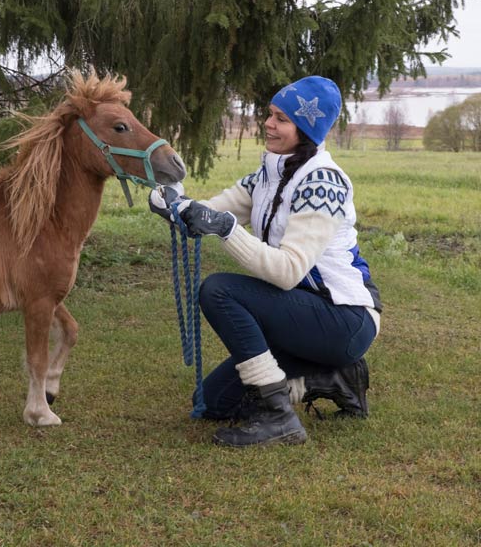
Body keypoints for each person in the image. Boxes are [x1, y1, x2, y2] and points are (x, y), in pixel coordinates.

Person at [149, 76, 382, 447]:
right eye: (270, 114)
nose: (269, 124)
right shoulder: (269, 173)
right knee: (211, 402)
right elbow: (210, 212)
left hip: (344, 318)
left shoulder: (324, 181)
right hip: (299, 315)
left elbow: (288, 271)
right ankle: (334, 380)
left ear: (306, 129)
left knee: (220, 290)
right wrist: (174, 204)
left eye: (282, 119)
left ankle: (279, 417)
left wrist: (225, 230)